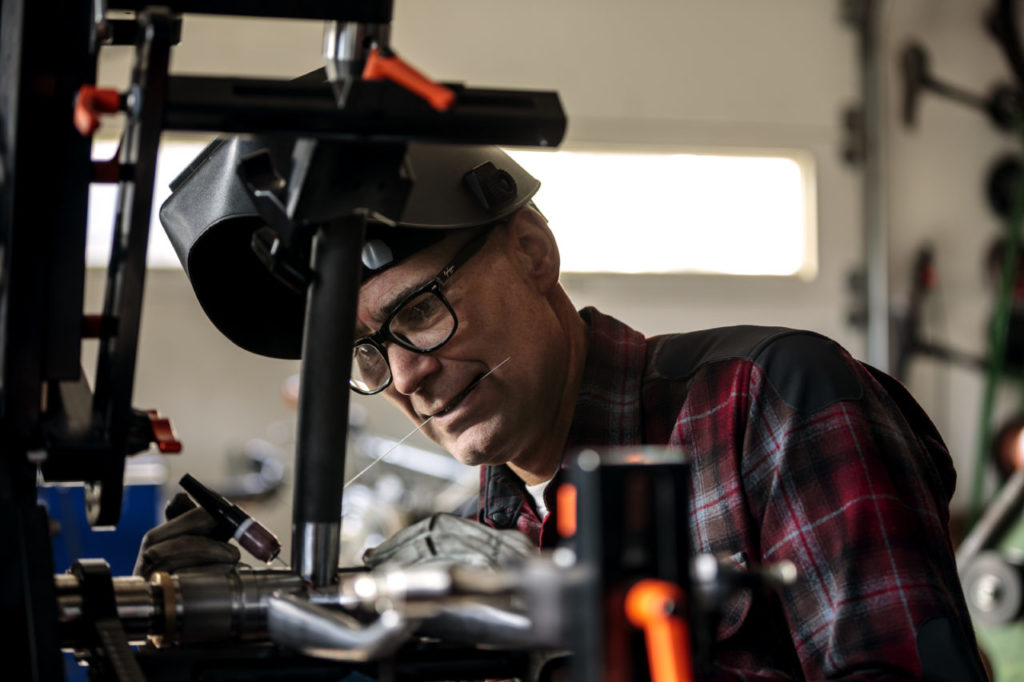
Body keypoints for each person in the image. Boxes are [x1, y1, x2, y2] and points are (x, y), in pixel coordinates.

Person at [146, 140, 987, 680]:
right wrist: (245, 638)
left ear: (532, 253)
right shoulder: (491, 533)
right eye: (368, 352)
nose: (407, 377)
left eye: (422, 312)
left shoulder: (768, 401)